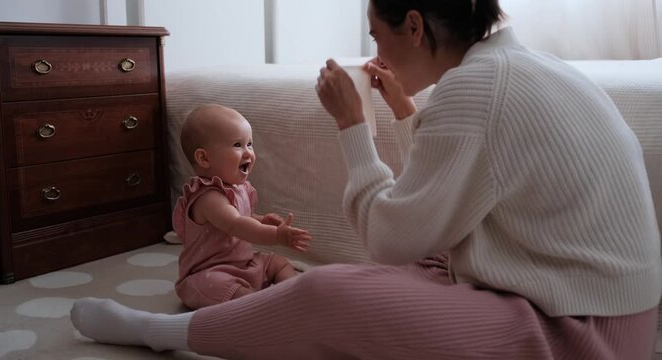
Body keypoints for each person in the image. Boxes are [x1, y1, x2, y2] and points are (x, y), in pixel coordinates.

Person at [70, 1, 661, 358]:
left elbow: (392, 234)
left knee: (335, 293)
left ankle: (163, 334)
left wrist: (354, 124)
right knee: (419, 270)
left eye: (376, 33)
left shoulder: (478, 86)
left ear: (413, 26)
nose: (372, 47)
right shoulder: (517, 65)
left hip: (579, 336)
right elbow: (451, 180)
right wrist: (404, 111)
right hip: (605, 313)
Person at [171, 104, 311, 308]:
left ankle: (292, 295)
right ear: (204, 158)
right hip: (211, 274)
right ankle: (262, 307)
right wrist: (276, 235)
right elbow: (235, 224)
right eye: (238, 145)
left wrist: (261, 220)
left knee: (277, 263)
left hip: (243, 264)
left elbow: (243, 217)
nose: (248, 153)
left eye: (250, 144)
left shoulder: (238, 188)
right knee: (232, 291)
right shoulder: (208, 197)